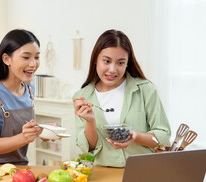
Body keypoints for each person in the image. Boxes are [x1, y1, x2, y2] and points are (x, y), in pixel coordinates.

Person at [73, 29, 171, 167]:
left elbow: (164, 137)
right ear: (96, 60)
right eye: (106, 61)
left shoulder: (145, 90)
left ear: (127, 63)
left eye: (120, 63)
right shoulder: (82, 97)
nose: (112, 69)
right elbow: (87, 147)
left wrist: (135, 136)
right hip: (103, 174)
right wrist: (90, 122)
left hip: (142, 170)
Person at [0, 29, 43, 165]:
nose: (33, 64)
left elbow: (23, 131)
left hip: (19, 168)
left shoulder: (29, 88)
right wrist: (24, 137)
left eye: (37, 57)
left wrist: (43, 131)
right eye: (26, 57)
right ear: (6, 59)